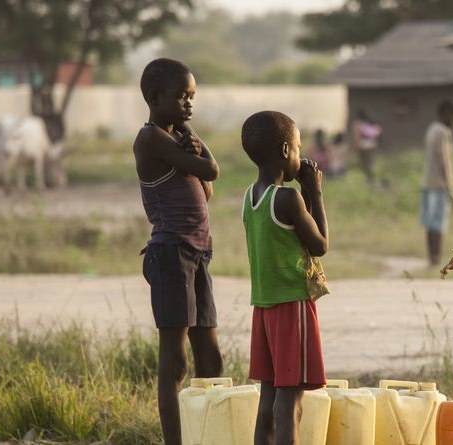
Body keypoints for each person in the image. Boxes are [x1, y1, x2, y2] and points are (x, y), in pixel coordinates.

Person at [133, 58, 223, 445]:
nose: (189, 104)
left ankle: (214, 434)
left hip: (198, 254)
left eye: (193, 98)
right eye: (181, 96)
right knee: (176, 362)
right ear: (154, 98)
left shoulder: (177, 143)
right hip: (171, 253)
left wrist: (192, 144)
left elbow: (206, 190)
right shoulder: (151, 138)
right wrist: (202, 149)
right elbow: (212, 172)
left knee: (211, 359)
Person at [240, 110, 329, 445]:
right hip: (292, 306)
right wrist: (315, 191)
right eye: (297, 147)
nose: (301, 156)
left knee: (269, 399)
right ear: (283, 152)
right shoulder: (289, 198)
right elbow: (320, 245)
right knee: (290, 403)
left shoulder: (249, 198)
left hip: (263, 308)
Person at [421, 100, 453, 266]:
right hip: (439, 185)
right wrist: (450, 184)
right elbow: (445, 160)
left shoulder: (431, 129)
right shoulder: (443, 132)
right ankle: (436, 259)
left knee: (430, 223)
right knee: (438, 223)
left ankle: (432, 257)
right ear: (447, 114)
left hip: (427, 183)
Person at [351, 109, 382, 182]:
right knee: (370, 162)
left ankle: (367, 179)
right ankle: (371, 177)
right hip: (372, 145)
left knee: (364, 163)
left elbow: (357, 136)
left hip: (363, 146)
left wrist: (355, 146)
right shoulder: (368, 124)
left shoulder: (358, 124)